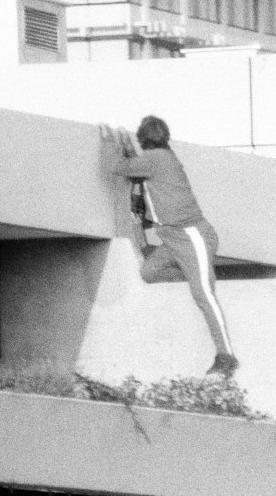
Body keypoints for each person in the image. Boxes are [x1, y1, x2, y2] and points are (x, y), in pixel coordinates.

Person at [100, 115, 239, 378]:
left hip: (191, 235)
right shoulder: (161, 158)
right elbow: (136, 172)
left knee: (203, 295)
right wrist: (128, 147)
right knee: (148, 273)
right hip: (174, 238)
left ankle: (226, 356)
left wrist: (109, 141)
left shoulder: (156, 159)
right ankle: (198, 275)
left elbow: (119, 167)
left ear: (144, 139)